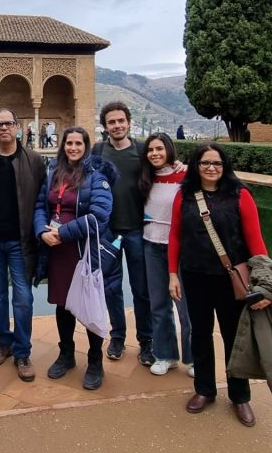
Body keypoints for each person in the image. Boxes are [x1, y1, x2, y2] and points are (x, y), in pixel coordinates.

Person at [168, 142, 270, 427]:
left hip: (231, 279)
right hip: (194, 275)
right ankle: (204, 390)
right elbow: (175, 236)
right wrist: (172, 274)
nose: (211, 168)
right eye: (205, 163)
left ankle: (240, 395)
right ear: (196, 166)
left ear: (224, 167)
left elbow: (255, 240)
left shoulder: (240, 195)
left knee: (233, 336)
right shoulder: (185, 196)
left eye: (217, 163)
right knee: (199, 333)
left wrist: (264, 277)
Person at [34, 126, 117, 390]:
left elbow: (99, 217)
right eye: (69, 143)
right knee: (63, 304)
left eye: (78, 144)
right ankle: (66, 354)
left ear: (86, 146)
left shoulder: (96, 176)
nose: (73, 148)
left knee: (89, 303)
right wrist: (40, 232)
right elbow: (40, 206)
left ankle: (95, 361)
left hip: (82, 250)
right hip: (58, 251)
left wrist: (63, 233)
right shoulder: (53, 173)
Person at [0, 108, 45, 382]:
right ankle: (3, 342)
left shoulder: (35, 161)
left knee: (23, 298)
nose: (4, 128)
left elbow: (42, 200)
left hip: (20, 242)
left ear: (17, 126)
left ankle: (23, 350)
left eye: (8, 123)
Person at [91, 102, 153, 365]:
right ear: (105, 126)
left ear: (128, 122)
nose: (116, 126)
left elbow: (164, 171)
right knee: (111, 289)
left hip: (138, 230)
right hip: (108, 233)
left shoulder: (141, 151)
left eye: (120, 121)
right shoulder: (98, 151)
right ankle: (117, 335)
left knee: (141, 289)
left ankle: (146, 341)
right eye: (111, 122)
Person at [138, 133, 192, 377]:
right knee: (159, 304)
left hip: (181, 248)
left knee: (186, 306)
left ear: (169, 150)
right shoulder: (145, 177)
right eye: (150, 149)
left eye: (159, 148)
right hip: (152, 245)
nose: (155, 153)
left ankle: (193, 358)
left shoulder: (186, 176)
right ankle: (165, 355)